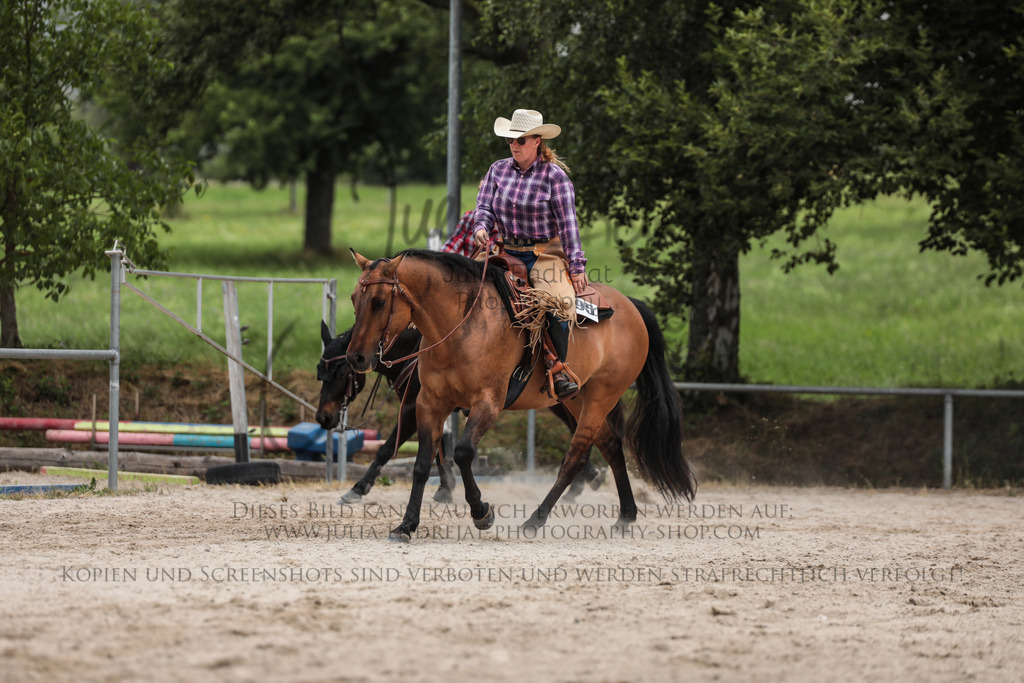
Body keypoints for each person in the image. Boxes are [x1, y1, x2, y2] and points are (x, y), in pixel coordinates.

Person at [472, 108, 589, 399]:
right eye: (512, 139)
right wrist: (481, 226)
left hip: (543, 253)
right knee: (461, 285)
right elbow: (484, 207)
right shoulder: (497, 170)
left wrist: (576, 266)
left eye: (521, 140)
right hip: (505, 250)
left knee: (558, 301)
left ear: (537, 141)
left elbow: (569, 225)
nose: (515, 145)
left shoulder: (555, 177)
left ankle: (559, 367)